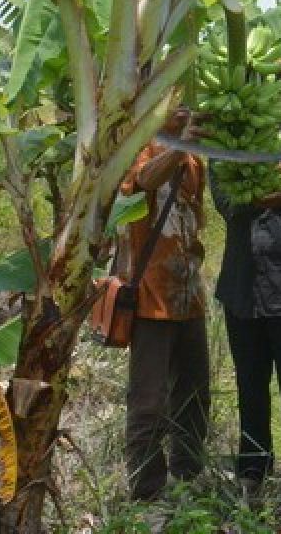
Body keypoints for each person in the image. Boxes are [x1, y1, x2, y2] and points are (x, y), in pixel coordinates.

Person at [209, 128, 281, 499]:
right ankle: (253, 467)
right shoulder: (224, 146)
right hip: (242, 286)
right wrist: (260, 187)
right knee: (250, 384)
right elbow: (227, 207)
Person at [118, 109, 210, 501]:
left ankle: (188, 474)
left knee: (194, 393)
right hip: (150, 297)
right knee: (149, 401)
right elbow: (143, 181)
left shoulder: (194, 160)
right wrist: (179, 147)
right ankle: (146, 491)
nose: (185, 109)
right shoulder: (139, 147)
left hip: (189, 294)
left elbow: (197, 220)